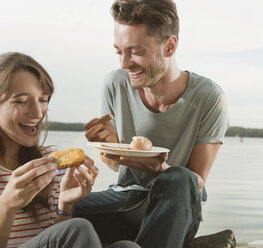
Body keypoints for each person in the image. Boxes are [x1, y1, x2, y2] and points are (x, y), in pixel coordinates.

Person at [75, 0, 229, 248]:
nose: (124, 63)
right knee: (54, 206)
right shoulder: (115, 83)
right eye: (119, 51)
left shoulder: (209, 97)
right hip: (122, 199)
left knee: (180, 177)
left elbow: (197, 179)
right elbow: (115, 166)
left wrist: (161, 170)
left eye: (135, 52)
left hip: (177, 207)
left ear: (169, 46)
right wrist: (109, 145)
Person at [0, 52, 141, 248]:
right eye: (22, 100)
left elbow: (58, 239)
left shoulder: (49, 162)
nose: (38, 112)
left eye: (43, 99)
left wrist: (65, 204)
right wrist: (6, 205)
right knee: (79, 228)